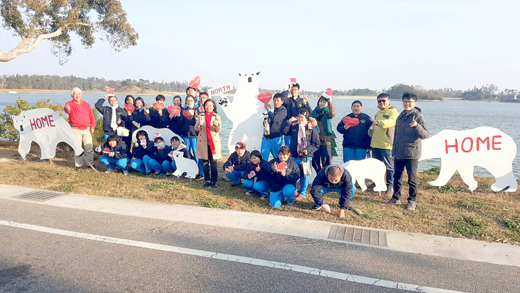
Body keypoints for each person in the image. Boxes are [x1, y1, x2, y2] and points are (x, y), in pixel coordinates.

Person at [388, 92, 429, 210]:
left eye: (410, 102)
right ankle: (396, 198)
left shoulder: (418, 116)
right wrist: (393, 152)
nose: (407, 104)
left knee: (412, 178)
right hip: (399, 152)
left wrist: (416, 125)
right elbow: (396, 135)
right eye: (405, 101)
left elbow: (425, 134)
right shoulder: (400, 116)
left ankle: (412, 200)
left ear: (415, 103)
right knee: (397, 176)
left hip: (412, 153)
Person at [369, 93, 399, 196]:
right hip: (376, 143)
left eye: (384, 100)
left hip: (386, 144)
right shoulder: (378, 112)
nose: (381, 103)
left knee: (389, 166)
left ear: (389, 101)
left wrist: (379, 122)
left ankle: (390, 186)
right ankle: (377, 183)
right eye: (379, 101)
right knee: (376, 165)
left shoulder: (393, 111)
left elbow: (391, 122)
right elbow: (374, 124)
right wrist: (371, 129)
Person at [287, 109, 320, 200]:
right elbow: (283, 131)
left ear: (306, 118)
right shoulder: (293, 126)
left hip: (306, 156)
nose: (300, 119)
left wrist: (308, 151)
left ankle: (302, 193)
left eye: (302, 117)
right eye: (298, 117)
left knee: (304, 175)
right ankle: (293, 190)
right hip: (294, 154)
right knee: (291, 173)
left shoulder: (311, 128)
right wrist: (288, 123)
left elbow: (316, 143)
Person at [64, 87, 97, 171]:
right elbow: (67, 110)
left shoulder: (86, 104)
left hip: (87, 129)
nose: (77, 96)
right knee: (78, 148)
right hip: (76, 129)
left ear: (81, 95)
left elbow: (91, 116)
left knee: (89, 147)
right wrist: (67, 109)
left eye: (79, 94)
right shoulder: (69, 103)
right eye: (75, 94)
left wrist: (92, 126)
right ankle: (78, 165)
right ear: (72, 95)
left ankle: (90, 164)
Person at [195, 99, 222, 188]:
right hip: (203, 142)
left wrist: (216, 125)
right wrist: (199, 124)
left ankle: (214, 181)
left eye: (210, 105)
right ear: (204, 106)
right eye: (207, 105)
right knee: (205, 163)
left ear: (213, 107)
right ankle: (207, 180)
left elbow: (219, 130)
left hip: (213, 143)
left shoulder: (217, 116)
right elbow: (196, 128)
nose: (208, 107)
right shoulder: (201, 116)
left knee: (214, 162)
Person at [311, 95, 337, 173]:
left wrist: (331, 102)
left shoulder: (328, 113)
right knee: (315, 160)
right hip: (315, 139)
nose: (322, 103)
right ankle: (319, 174)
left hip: (326, 139)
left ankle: (327, 175)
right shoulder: (314, 112)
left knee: (326, 159)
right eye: (320, 101)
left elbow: (333, 113)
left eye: (324, 102)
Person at [261, 93, 288, 161]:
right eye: (274, 100)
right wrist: (265, 123)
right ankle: (265, 170)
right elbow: (269, 119)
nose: (275, 102)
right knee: (263, 156)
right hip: (266, 137)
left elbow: (274, 118)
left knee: (277, 157)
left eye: (277, 101)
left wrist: (268, 110)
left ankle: (279, 170)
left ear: (282, 102)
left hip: (276, 138)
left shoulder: (283, 111)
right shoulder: (272, 109)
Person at [182, 95, 204, 180]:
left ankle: (200, 172)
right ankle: (187, 171)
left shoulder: (197, 111)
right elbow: (181, 123)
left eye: (191, 100)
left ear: (194, 101)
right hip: (186, 136)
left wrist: (196, 118)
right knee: (186, 153)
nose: (189, 102)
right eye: (187, 101)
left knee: (197, 154)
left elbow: (201, 123)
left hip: (195, 136)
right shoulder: (183, 111)